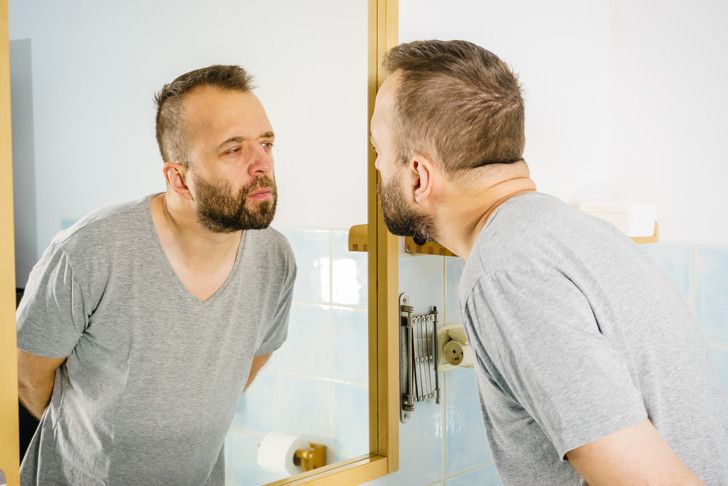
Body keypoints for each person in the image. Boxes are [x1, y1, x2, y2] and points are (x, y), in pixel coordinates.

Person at [370, 40, 728, 485]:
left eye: (378, 150)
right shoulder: (578, 233)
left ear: (419, 177)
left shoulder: (507, 271)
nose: (377, 165)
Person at [16, 65, 296, 485]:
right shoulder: (89, 252)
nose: (262, 164)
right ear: (179, 179)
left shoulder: (276, 259)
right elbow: (26, 377)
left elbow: (245, 368)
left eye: (266, 144)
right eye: (233, 150)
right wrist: (93, 448)